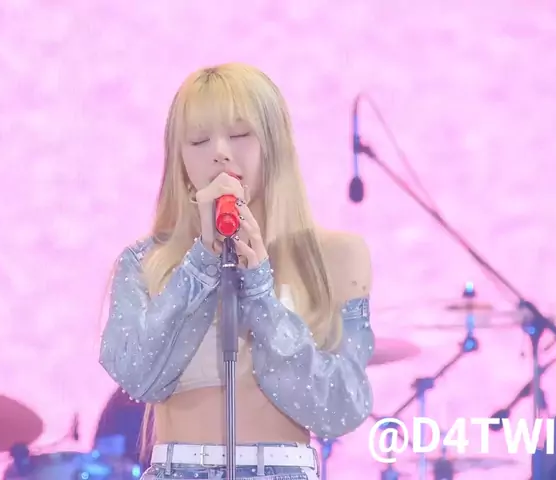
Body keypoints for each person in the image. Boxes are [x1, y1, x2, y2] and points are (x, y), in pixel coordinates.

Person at [98, 62, 374, 480]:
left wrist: (261, 291)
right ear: (179, 157)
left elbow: (342, 409)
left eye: (241, 134)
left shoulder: (336, 256)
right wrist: (200, 264)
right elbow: (138, 375)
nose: (220, 152)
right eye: (198, 140)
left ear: (274, 143)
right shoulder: (144, 262)